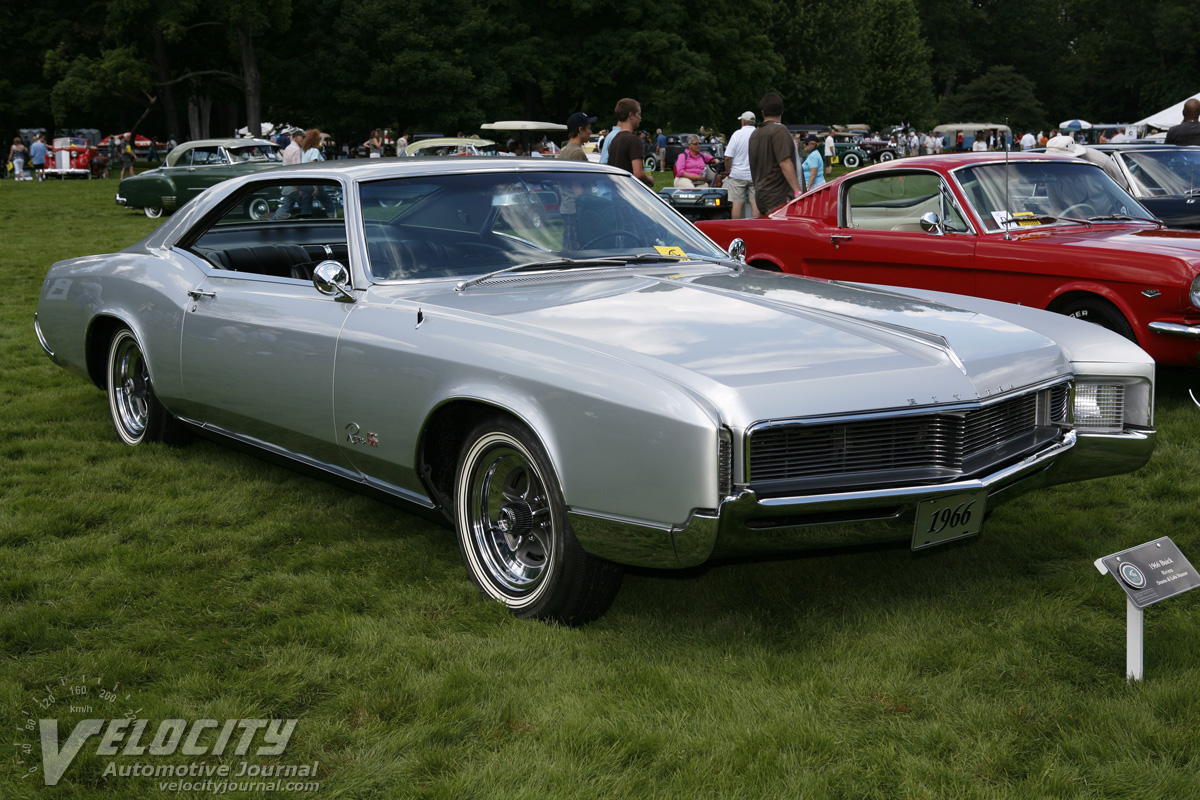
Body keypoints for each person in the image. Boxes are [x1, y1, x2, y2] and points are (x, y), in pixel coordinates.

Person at [748, 92, 802, 216]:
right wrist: (797, 192)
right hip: (778, 196)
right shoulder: (779, 130)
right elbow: (784, 162)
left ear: (762, 112)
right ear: (782, 111)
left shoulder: (755, 134)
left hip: (761, 194)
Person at [1044, 134, 1129, 191]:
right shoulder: (1052, 172)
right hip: (1071, 216)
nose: (1060, 167)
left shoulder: (1101, 161)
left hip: (1109, 215)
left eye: (1063, 162)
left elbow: (1124, 190)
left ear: (1077, 157)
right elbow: (1056, 206)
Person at [606, 98, 654, 188]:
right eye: (639, 114)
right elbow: (638, 173)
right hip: (629, 194)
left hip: (615, 192)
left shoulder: (614, 139)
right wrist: (649, 179)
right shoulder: (633, 140)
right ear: (631, 115)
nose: (640, 118)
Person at [724, 111, 758, 219]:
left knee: (737, 204)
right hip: (755, 175)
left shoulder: (737, 134)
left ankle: (736, 229)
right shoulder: (759, 134)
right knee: (755, 204)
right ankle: (755, 229)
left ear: (743, 122)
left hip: (737, 174)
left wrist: (727, 171)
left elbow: (728, 157)